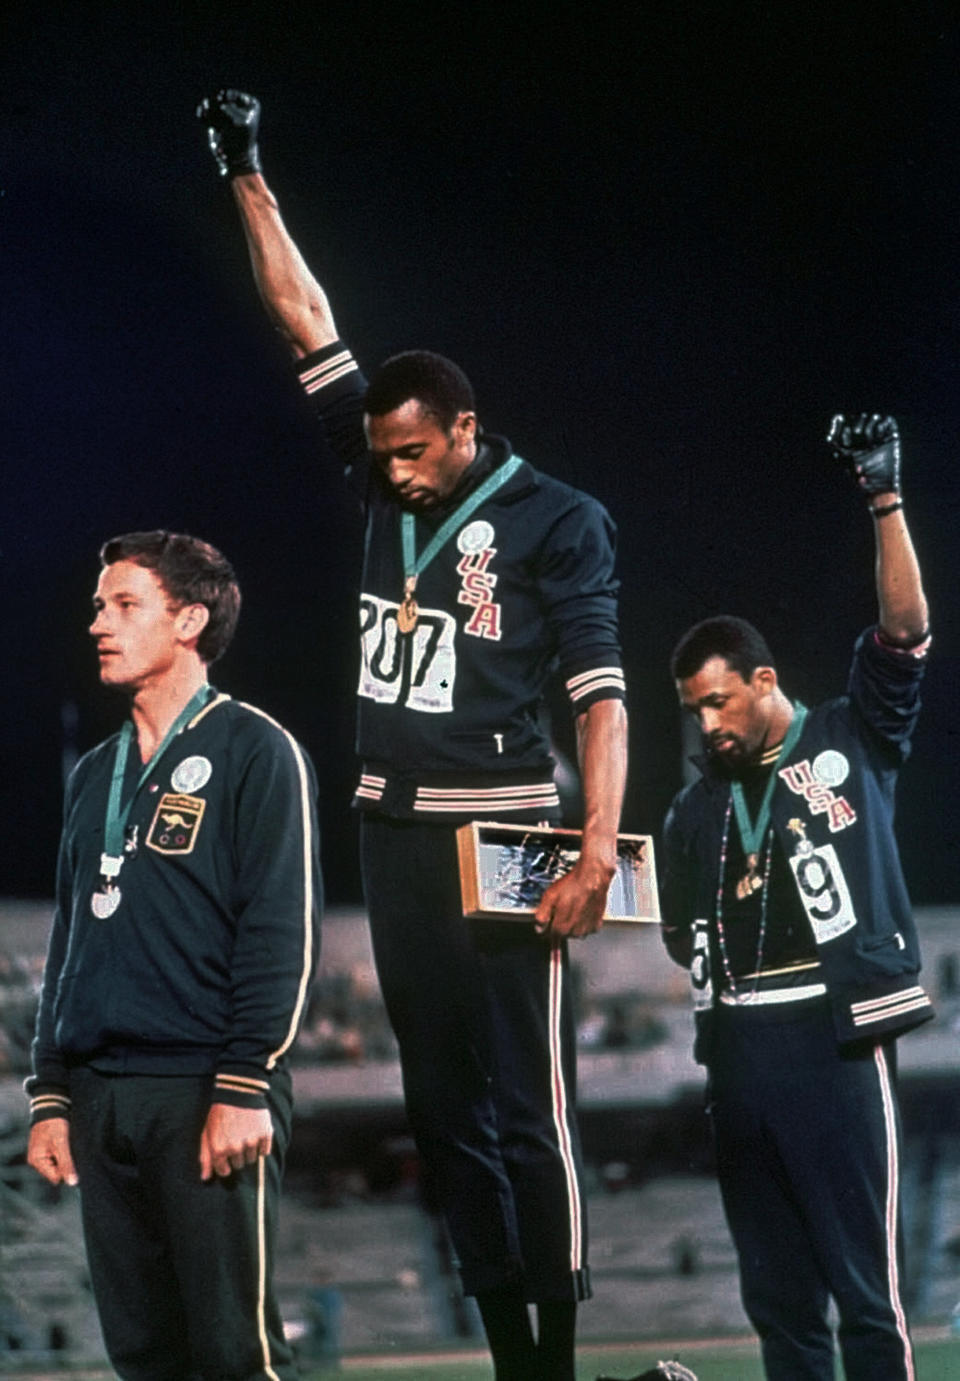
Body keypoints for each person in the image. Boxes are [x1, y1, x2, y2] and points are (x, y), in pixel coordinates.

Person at [196, 90, 628, 1381]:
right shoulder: (381, 466)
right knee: (444, 1116)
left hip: (503, 834)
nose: (390, 474)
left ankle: (556, 1353)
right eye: (379, 456)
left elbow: (602, 695)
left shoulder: (561, 521)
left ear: (466, 431)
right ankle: (509, 1356)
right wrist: (247, 173)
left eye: (413, 455)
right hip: (392, 831)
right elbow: (308, 322)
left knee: (529, 1108)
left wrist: (596, 845)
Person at [660, 414, 932, 1380]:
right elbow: (671, 932)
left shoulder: (849, 739)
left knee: (866, 1296)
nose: (707, 722)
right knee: (778, 1305)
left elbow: (904, 634)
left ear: (765, 680)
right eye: (693, 707)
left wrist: (884, 497)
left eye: (719, 701)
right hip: (734, 1054)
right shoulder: (694, 809)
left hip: (833, 1038)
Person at [26, 530, 321, 1381]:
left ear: (189, 619)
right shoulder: (94, 775)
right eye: (97, 606)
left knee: (236, 1355)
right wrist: (50, 1093)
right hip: (98, 1095)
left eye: (124, 605)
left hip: (204, 1090)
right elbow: (70, 938)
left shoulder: (256, 750)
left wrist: (244, 1082)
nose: (98, 624)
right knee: (145, 1357)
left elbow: (279, 931)